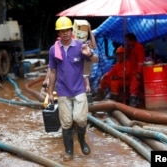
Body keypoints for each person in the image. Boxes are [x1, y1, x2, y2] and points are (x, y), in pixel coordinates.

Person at [47, 16, 98, 161]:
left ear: (71, 30)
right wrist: (50, 92)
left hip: (79, 90)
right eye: (62, 31)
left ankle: (82, 141)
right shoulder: (53, 50)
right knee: (66, 122)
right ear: (59, 33)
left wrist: (90, 54)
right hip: (63, 91)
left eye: (67, 30)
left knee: (80, 119)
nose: (65, 33)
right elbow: (52, 71)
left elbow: (95, 60)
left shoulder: (80, 46)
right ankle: (69, 151)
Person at [125, 33, 145, 107]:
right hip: (133, 72)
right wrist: (127, 47)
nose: (127, 42)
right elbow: (127, 55)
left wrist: (138, 72)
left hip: (136, 72)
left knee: (133, 88)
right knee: (136, 89)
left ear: (131, 40)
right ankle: (137, 103)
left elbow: (141, 61)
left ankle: (133, 106)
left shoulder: (138, 48)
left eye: (127, 41)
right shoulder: (132, 48)